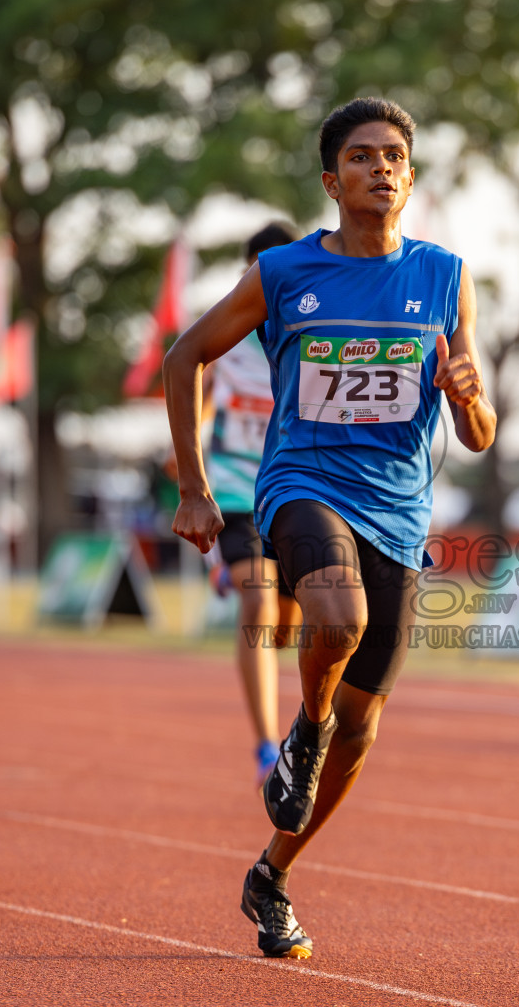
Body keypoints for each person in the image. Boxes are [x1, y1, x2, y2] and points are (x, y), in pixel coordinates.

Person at [164, 97, 495, 960]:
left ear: (410, 178)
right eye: (360, 156)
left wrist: (469, 397)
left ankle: (271, 876)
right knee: (337, 622)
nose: (380, 168)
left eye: (394, 157)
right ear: (330, 180)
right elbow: (184, 356)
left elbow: (479, 433)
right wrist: (195, 487)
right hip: (301, 485)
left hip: (399, 511)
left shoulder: (446, 276)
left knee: (363, 729)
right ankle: (300, 732)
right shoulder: (282, 273)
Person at [199, 222, 304, 786]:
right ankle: (267, 748)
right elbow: (195, 385)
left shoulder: (310, 337)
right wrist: (186, 456)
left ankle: (229, 573)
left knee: (284, 632)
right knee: (258, 603)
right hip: (236, 494)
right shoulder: (227, 337)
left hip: (292, 494)